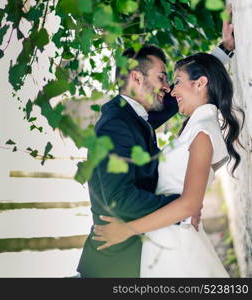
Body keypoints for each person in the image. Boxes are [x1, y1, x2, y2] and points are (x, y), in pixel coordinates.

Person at [77, 10, 236, 277]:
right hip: (113, 263)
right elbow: (119, 201)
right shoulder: (116, 124)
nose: (167, 87)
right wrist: (183, 205)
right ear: (137, 78)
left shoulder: (135, 117)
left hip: (142, 253)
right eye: (162, 77)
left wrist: (224, 51)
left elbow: (190, 93)